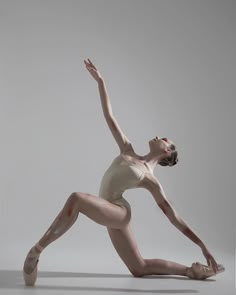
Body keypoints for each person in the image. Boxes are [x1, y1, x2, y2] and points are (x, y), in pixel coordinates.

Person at [23, 58, 225, 286]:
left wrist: (203, 246)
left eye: (164, 139)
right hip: (111, 210)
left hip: (119, 212)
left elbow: (173, 217)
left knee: (77, 199)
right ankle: (191, 271)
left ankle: (36, 252)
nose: (159, 136)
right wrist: (100, 81)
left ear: (168, 152)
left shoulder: (149, 178)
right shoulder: (127, 149)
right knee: (139, 268)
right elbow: (110, 116)